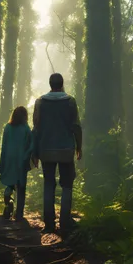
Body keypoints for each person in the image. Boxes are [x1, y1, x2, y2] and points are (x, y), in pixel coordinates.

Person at [32, 73, 82, 234]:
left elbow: (36, 127)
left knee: (48, 184)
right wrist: (78, 146)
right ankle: (65, 221)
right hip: (66, 149)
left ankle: (49, 223)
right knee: (67, 185)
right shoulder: (70, 101)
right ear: (62, 84)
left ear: (50, 84)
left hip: (46, 149)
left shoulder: (40, 102)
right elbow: (76, 126)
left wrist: (35, 151)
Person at [0, 105, 32, 221]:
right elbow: (30, 144)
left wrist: (2, 164)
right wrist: (29, 157)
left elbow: (4, 146)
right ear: (24, 116)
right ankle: (19, 214)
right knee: (21, 187)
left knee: (10, 183)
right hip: (21, 160)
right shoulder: (26, 128)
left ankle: (8, 204)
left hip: (9, 159)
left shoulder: (8, 127)